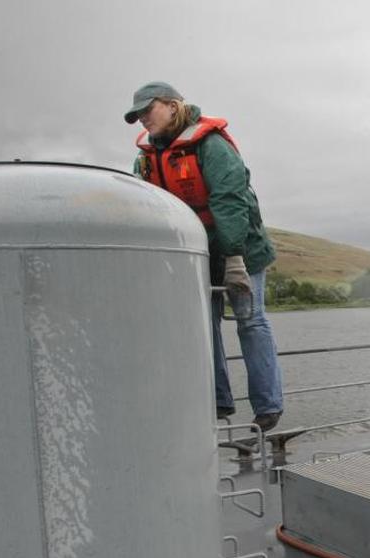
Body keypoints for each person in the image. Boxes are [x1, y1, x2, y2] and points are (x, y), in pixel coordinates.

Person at [125, 81, 283, 431]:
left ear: (171, 105)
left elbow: (230, 200)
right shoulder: (147, 158)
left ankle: (268, 408)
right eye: (137, 116)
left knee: (250, 321)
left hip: (242, 248)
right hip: (197, 254)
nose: (142, 121)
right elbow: (144, 205)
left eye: (147, 111)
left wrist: (234, 259)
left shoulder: (211, 146)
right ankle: (218, 401)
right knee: (202, 325)